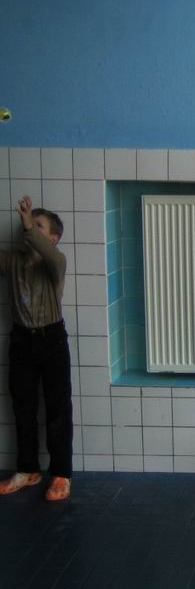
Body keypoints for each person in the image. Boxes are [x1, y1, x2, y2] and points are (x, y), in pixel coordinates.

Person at [0, 197, 72, 501]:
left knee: (58, 410)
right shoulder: (12, 261)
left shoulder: (56, 261)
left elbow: (48, 254)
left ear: (53, 238)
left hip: (51, 339)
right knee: (23, 408)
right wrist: (31, 227)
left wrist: (29, 226)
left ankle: (61, 474)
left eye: (37, 225)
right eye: (26, 224)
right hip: (21, 341)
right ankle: (27, 470)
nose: (26, 226)